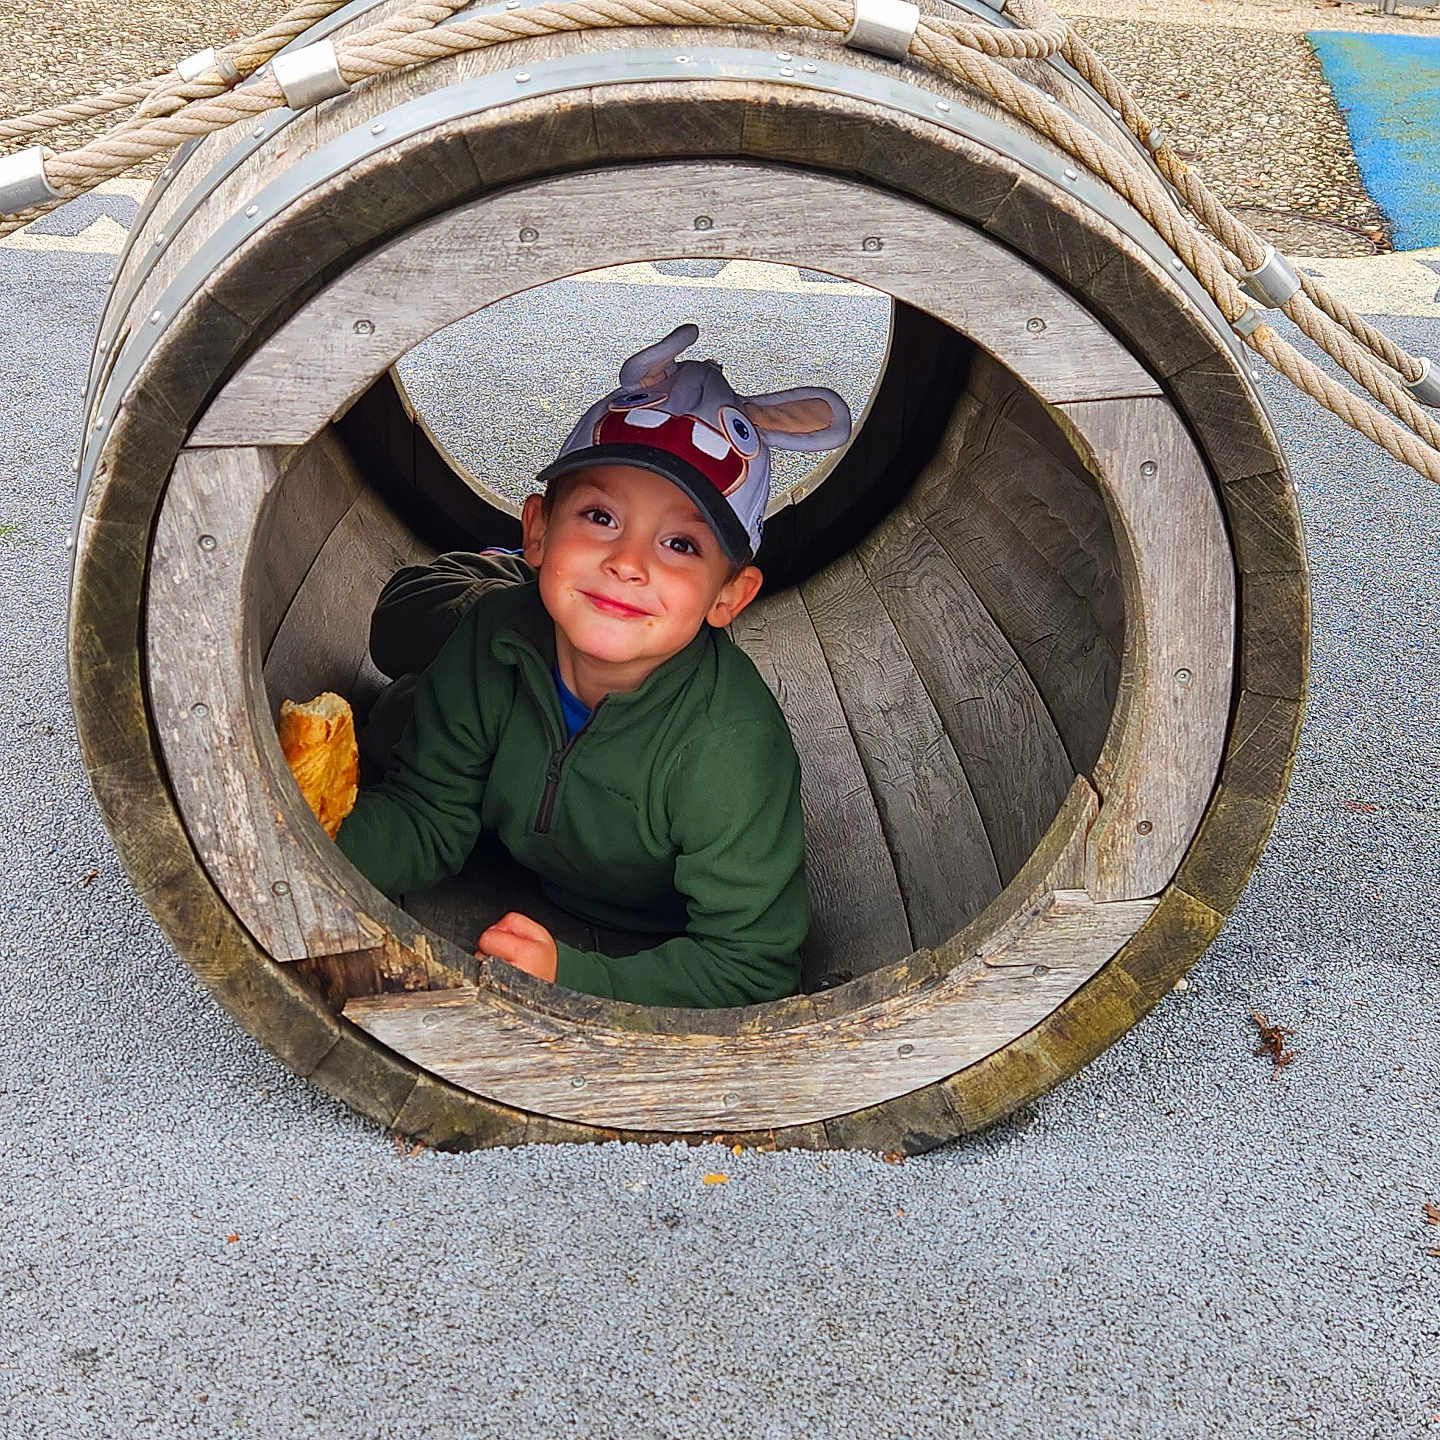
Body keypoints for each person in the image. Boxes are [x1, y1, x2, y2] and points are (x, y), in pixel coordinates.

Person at [332, 323, 852, 1008]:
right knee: (407, 649)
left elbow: (750, 967)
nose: (628, 563)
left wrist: (574, 979)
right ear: (541, 530)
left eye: (680, 544)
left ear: (730, 596)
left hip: (604, 888)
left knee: (411, 698)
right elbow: (428, 813)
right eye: (602, 517)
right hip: (496, 686)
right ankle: (490, 577)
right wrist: (315, 845)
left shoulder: (729, 749)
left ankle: (493, 587)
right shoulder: (493, 641)